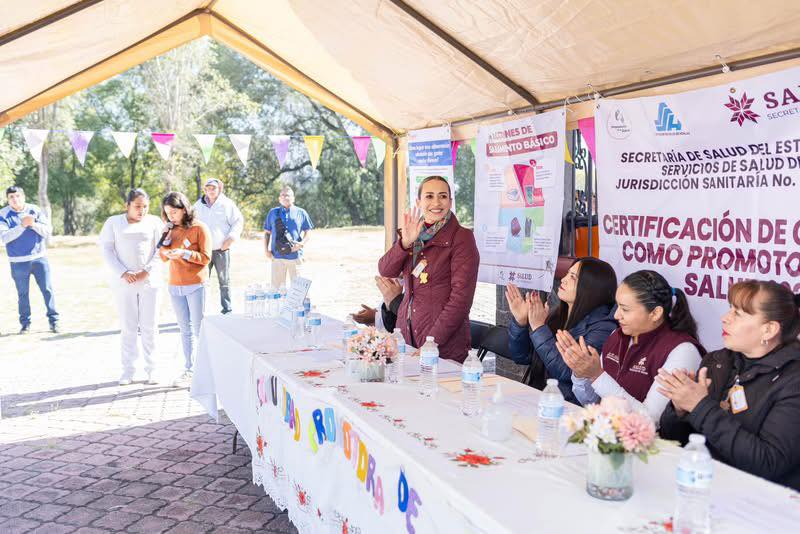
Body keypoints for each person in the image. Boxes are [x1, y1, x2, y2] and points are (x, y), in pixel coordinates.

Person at [658, 280, 800, 490]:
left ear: (768, 330)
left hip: (761, 504)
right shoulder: (717, 362)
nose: (725, 318)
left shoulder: (793, 381)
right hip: (703, 485)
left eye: (738, 314)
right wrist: (679, 409)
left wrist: (699, 407)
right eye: (729, 309)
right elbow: (676, 441)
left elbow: (768, 463)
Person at [558, 270, 703, 421]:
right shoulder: (617, 336)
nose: (616, 315)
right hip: (608, 437)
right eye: (617, 306)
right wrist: (581, 374)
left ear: (655, 313)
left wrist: (596, 375)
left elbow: (650, 420)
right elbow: (593, 403)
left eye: (625, 309)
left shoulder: (682, 350)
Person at [378, 175, 479, 363]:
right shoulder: (412, 233)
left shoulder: (462, 238)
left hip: (443, 346)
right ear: (419, 201)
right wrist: (404, 243)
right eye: (429, 196)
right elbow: (385, 270)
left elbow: (461, 301)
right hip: (408, 338)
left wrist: (432, 343)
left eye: (442, 196)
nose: (436, 202)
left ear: (450, 201)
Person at [505, 257, 618, 403]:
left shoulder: (603, 328)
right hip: (540, 399)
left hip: (568, 410)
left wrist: (539, 328)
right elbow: (521, 357)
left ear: (591, 287)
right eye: (567, 274)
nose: (563, 279)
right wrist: (520, 323)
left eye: (573, 277)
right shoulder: (557, 314)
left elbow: (568, 372)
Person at [99, 189, 164, 385]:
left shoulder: (154, 222)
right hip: (123, 283)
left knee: (149, 327)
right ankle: (128, 370)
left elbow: (162, 249)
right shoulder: (113, 223)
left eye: (145, 206)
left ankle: (153, 369)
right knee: (128, 326)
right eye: (137, 206)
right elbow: (107, 250)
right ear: (126, 205)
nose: (141, 210)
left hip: (149, 282)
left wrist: (147, 271)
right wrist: (123, 272)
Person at [158, 192, 212, 387]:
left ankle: (206, 369)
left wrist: (185, 253)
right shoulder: (170, 229)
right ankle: (189, 369)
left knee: (199, 329)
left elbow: (206, 258)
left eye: (174, 212)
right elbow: (162, 256)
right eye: (167, 213)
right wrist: (166, 244)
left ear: (184, 209)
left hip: (196, 284)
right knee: (184, 330)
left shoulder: (200, 228)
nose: (171, 216)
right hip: (175, 285)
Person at [0, 186, 59, 333]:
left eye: (17, 196)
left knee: (47, 290)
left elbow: (47, 231)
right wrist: (22, 226)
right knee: (23, 294)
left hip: (39, 258)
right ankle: (25, 324)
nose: (15, 199)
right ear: (8, 200)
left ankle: (54, 321)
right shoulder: (3, 214)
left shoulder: (35, 210)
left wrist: (32, 224)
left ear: (23, 196)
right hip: (18, 262)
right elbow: (4, 237)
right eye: (11, 197)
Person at [193, 178, 243, 315]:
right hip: (203, 250)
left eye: (213, 188)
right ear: (204, 190)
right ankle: (201, 310)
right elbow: (191, 223)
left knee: (224, 281)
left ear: (219, 189)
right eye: (208, 188)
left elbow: (238, 221)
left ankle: (227, 309)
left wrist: (231, 238)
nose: (210, 191)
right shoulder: (198, 205)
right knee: (201, 281)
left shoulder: (226, 204)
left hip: (221, 249)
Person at [263, 186, 313, 288]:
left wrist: (301, 244)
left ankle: (297, 305)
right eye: (283, 195)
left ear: (293, 198)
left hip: (295, 255)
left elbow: (308, 232)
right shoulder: (273, 213)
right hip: (277, 256)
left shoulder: (301, 212)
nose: (285, 197)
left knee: (298, 290)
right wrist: (266, 250)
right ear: (279, 198)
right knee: (276, 290)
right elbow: (267, 233)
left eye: (288, 195)